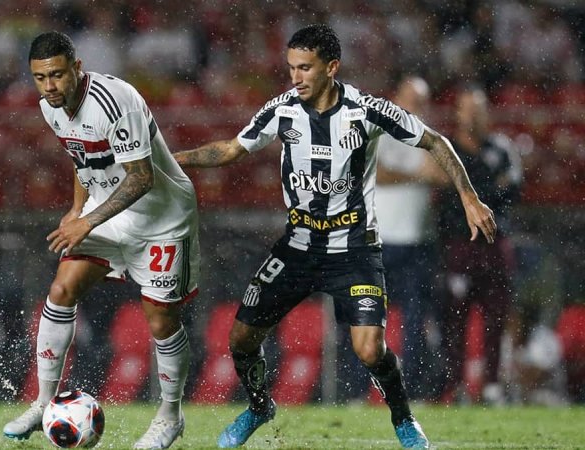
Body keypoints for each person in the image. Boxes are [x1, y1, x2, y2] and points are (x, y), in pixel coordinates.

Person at [174, 24, 496, 449]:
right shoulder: (282, 110)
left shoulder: (366, 110)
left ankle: (403, 418)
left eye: (305, 68)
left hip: (354, 248)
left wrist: (469, 196)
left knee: (368, 349)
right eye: (291, 68)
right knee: (241, 338)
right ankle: (258, 406)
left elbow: (435, 142)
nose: (296, 77)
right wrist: (167, 160)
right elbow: (232, 149)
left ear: (331, 67)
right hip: (299, 246)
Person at [2, 31, 200, 449]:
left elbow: (142, 177)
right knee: (61, 288)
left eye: (57, 75)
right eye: (41, 78)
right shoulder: (49, 108)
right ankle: (43, 402)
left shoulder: (115, 100)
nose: (50, 86)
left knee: (161, 318)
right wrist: (77, 210)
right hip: (104, 213)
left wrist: (86, 221)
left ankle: (170, 416)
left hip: (161, 219)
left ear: (77, 67)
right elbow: (83, 157)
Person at [434, 86, 521, 405]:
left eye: (478, 109)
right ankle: (455, 384)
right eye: (467, 108)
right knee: (454, 318)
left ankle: (492, 385)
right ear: (457, 112)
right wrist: (485, 187)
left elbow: (513, 189)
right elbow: (449, 196)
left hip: (494, 243)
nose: (472, 115)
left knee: (497, 316)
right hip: (459, 245)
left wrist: (470, 190)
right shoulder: (446, 148)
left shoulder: (502, 147)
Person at [375, 76, 448, 400]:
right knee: (366, 317)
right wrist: (418, 175)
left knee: (417, 320)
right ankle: (357, 388)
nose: (417, 107)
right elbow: (376, 174)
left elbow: (444, 175)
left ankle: (412, 388)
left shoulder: (430, 137)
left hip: (419, 242)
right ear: (396, 99)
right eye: (411, 100)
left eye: (421, 102)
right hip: (380, 240)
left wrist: (412, 173)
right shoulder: (379, 132)